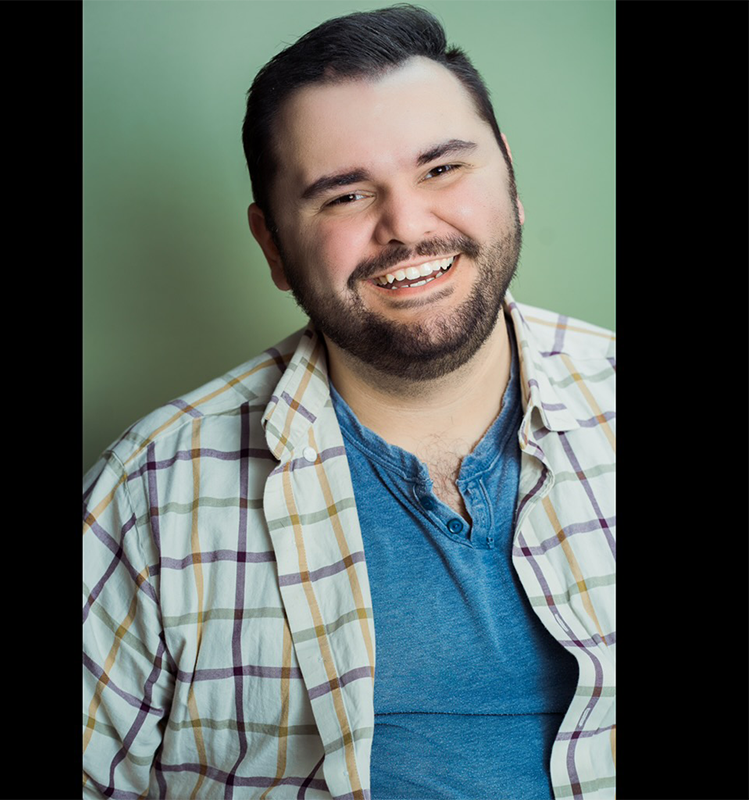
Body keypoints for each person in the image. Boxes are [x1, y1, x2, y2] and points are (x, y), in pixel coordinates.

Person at [82, 5, 615, 799]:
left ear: (509, 172)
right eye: (344, 196)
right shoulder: (149, 493)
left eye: (442, 170)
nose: (406, 226)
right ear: (273, 245)